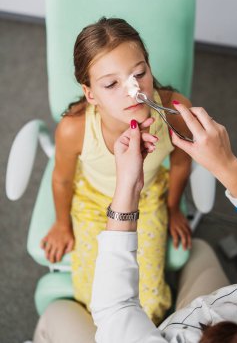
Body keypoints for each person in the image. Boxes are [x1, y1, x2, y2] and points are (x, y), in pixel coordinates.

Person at [33, 103, 237, 343]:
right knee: (200, 250)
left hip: (140, 205)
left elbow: (115, 308)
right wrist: (230, 168)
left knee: (57, 312)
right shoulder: (74, 127)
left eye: (139, 73)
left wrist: (128, 188)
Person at [40, 17, 192, 324]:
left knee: (148, 299)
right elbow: (62, 178)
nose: (132, 89)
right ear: (90, 93)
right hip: (93, 201)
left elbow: (181, 161)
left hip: (147, 197)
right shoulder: (74, 129)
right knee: (97, 290)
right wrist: (61, 223)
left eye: (139, 73)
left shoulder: (173, 112)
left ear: (150, 68)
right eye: (111, 84)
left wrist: (174, 208)